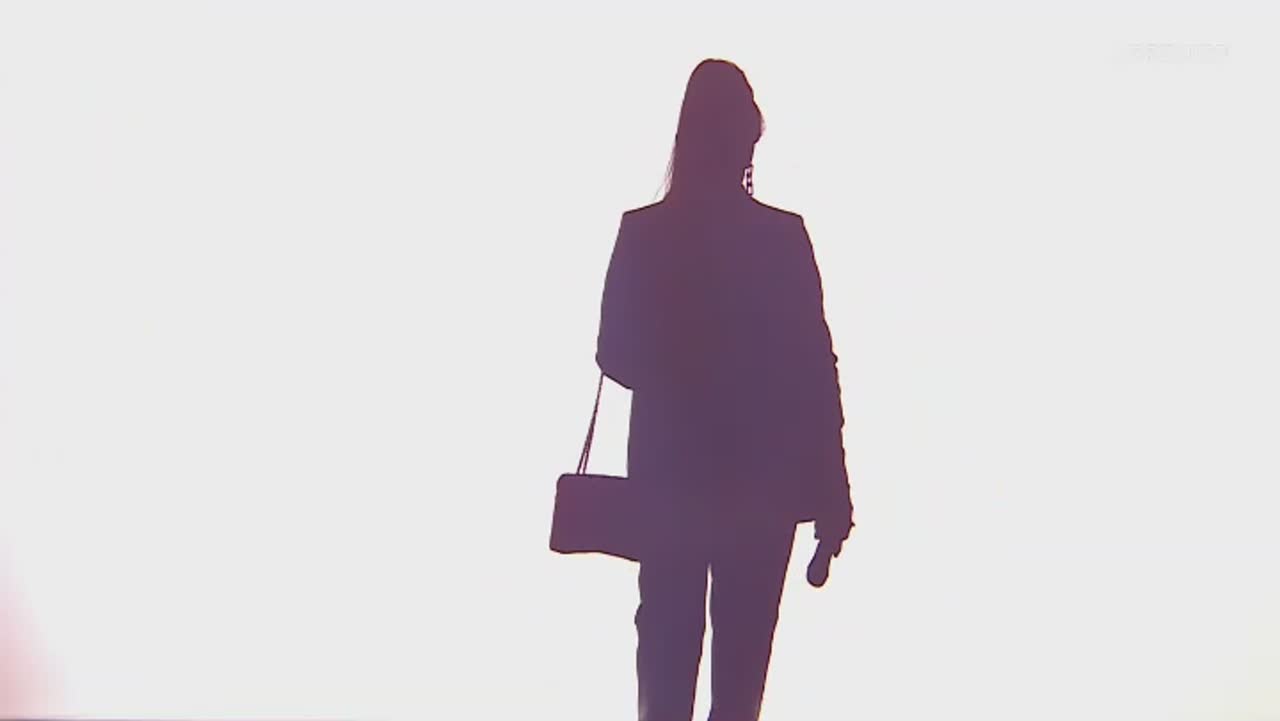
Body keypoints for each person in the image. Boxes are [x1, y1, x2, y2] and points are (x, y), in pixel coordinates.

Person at [594, 58, 855, 721]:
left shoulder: (646, 232)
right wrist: (832, 489)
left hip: (672, 482)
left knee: (665, 674)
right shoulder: (781, 239)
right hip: (759, 491)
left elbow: (614, 353)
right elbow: (815, 374)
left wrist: (681, 364)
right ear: (747, 138)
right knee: (738, 689)